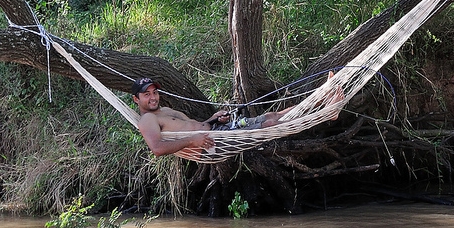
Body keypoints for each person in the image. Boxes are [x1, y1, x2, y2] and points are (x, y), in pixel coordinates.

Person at [131, 74, 342, 157]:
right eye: (146, 94)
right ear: (136, 100)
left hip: (218, 130)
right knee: (270, 124)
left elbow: (196, 126)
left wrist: (213, 119)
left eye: (155, 92)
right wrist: (192, 140)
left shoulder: (164, 111)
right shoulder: (147, 120)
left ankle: (322, 99)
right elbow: (157, 149)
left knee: (272, 115)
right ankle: (327, 111)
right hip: (215, 143)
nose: (153, 97)